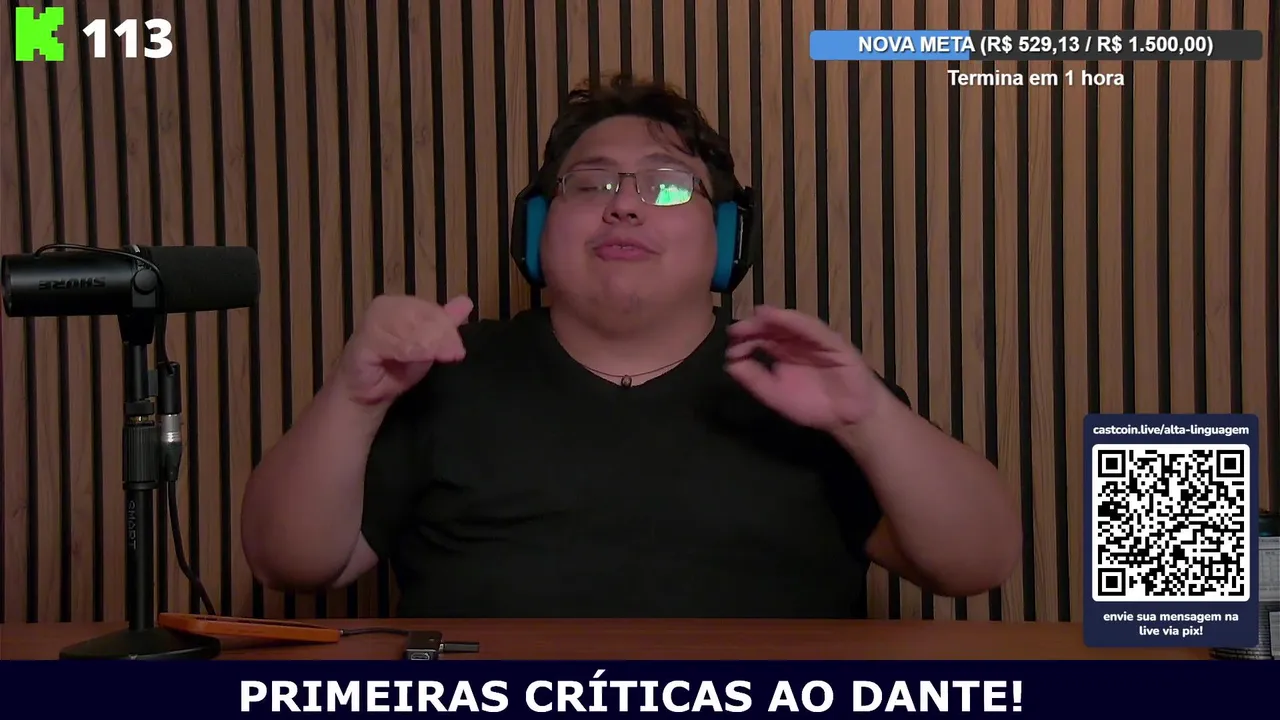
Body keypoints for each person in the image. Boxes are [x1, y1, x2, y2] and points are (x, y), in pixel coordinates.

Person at [241, 75, 1020, 618]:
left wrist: (868, 419)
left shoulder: (807, 383)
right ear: (537, 232)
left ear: (727, 240)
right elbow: (290, 563)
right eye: (591, 184)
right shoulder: (442, 371)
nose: (624, 206)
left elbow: (977, 563)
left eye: (667, 184)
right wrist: (351, 397)